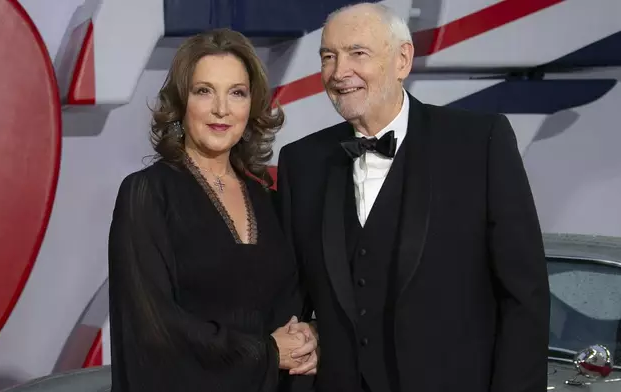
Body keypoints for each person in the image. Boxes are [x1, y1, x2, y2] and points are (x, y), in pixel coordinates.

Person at [276, 3, 550, 392]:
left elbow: (525, 297)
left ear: (402, 59)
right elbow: (290, 301)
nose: (339, 72)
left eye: (358, 53)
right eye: (328, 56)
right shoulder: (301, 162)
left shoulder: (478, 143)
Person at [107, 28, 317, 392]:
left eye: (236, 93)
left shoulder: (269, 197)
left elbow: (292, 303)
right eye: (204, 91)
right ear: (180, 102)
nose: (221, 109)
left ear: (251, 105)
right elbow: (153, 329)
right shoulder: (146, 194)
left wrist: (310, 335)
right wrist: (266, 353)